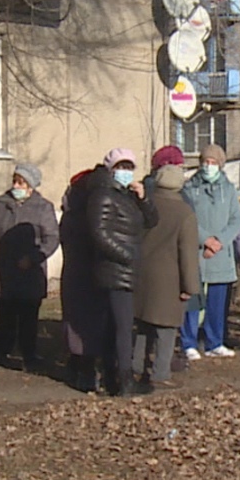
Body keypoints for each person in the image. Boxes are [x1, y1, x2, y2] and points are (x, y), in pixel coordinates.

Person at [87, 148, 156, 396]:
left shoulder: (127, 196)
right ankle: (124, 380)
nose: (126, 172)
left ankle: (113, 376)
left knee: (117, 325)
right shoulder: (102, 196)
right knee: (122, 327)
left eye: (129, 167)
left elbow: (151, 221)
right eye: (121, 167)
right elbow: (99, 232)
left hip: (127, 269)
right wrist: (125, 256)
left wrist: (143, 198)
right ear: (110, 169)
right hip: (115, 269)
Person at [0, 163, 60, 371]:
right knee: (4, 315)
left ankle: (29, 354)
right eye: (15, 180)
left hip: (30, 272)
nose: (16, 185)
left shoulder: (42, 207)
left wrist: (35, 257)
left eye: (21, 182)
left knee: (29, 317)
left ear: (31, 186)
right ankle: (2, 351)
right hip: (5, 270)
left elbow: (51, 238)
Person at [135, 165, 200, 389]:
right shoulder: (184, 213)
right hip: (170, 279)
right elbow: (188, 253)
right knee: (166, 329)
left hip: (141, 274)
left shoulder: (145, 204)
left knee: (143, 324)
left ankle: (135, 367)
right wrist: (190, 286)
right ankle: (160, 373)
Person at [179, 144, 240, 360]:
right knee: (192, 299)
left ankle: (215, 342)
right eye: (206, 162)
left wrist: (219, 242)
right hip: (196, 252)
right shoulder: (189, 188)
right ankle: (188, 342)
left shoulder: (229, 189)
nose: (208, 166)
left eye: (213, 163)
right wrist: (205, 240)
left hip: (221, 254)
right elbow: (187, 219)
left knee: (217, 300)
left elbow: (236, 220)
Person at [59, 165, 110, 392]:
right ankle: (86, 370)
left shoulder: (71, 214)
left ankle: (77, 364)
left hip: (74, 272)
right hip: (90, 271)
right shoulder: (89, 215)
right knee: (89, 322)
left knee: (76, 320)